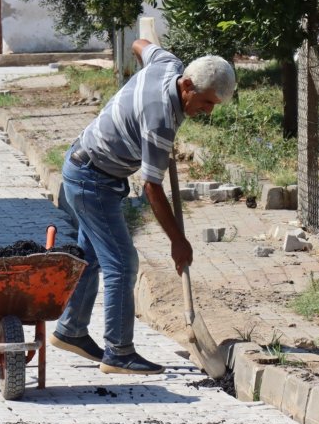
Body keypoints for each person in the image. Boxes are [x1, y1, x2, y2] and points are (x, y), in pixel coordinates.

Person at [49, 40, 236, 375]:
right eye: (206, 102)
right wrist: (178, 241)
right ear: (188, 86)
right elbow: (152, 187)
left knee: (91, 258)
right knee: (122, 262)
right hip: (92, 179)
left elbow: (140, 45)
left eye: (215, 105)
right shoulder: (160, 120)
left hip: (86, 167)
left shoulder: (166, 63)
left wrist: (137, 85)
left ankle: (71, 330)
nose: (208, 112)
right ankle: (119, 352)